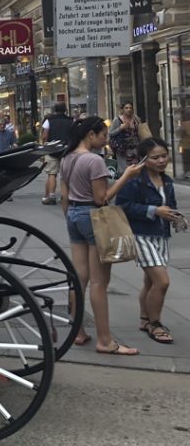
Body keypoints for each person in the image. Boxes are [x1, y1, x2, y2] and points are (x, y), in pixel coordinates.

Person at [59, 116, 143, 355]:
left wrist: (71, 218)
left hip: (73, 213)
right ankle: (105, 340)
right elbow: (101, 197)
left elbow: (64, 196)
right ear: (91, 135)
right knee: (99, 282)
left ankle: (78, 331)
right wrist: (126, 176)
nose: (106, 140)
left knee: (79, 277)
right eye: (103, 135)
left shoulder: (67, 158)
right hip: (93, 215)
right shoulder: (93, 161)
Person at [117, 138, 183, 345]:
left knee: (150, 281)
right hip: (141, 235)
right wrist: (154, 210)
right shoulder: (134, 180)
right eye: (155, 157)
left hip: (161, 235)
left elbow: (170, 205)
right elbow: (122, 206)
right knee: (162, 282)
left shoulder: (168, 181)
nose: (162, 161)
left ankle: (144, 319)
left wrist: (177, 217)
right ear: (145, 159)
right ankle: (156, 324)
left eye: (164, 156)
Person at [41, 103, 75, 204]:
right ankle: (66, 196)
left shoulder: (49, 121)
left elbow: (44, 136)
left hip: (52, 150)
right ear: (65, 110)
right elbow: (74, 134)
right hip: (66, 150)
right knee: (66, 175)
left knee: (52, 174)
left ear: (54, 110)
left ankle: (51, 196)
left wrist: (45, 146)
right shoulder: (71, 121)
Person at [109, 100, 146, 172]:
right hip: (123, 149)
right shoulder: (117, 120)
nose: (129, 109)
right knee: (125, 170)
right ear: (122, 109)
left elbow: (141, 131)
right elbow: (111, 133)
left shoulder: (136, 119)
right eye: (126, 108)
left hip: (136, 148)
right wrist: (120, 128)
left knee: (136, 168)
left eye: (130, 108)